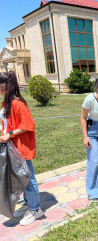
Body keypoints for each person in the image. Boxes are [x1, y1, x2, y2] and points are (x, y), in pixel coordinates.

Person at [0, 71, 44, 226]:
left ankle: (36, 209)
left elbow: (28, 125)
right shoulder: (6, 103)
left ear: (4, 85)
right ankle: (29, 204)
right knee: (20, 178)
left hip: (20, 147)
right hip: (11, 147)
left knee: (27, 178)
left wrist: (9, 134)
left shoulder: (17, 103)